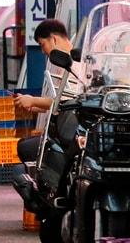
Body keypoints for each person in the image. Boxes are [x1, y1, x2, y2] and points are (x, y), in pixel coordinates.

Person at [15, 19, 86, 194]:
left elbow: (67, 102)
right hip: (62, 130)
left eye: (42, 44)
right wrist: (34, 105)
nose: (42, 51)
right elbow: (58, 102)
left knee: (26, 148)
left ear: (53, 39)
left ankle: (51, 192)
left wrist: (33, 101)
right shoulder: (63, 62)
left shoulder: (74, 64)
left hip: (69, 134)